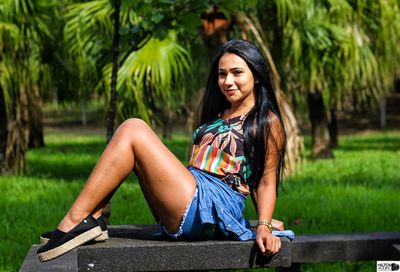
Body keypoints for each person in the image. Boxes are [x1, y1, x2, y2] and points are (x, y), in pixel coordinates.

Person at [37, 38, 287, 262]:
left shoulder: (266, 121)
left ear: (256, 74)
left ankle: (74, 221)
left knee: (133, 128)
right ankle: (91, 217)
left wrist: (263, 224)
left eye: (237, 73)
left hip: (207, 206)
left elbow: (264, 182)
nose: (227, 81)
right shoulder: (220, 114)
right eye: (222, 74)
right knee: (132, 139)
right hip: (193, 193)